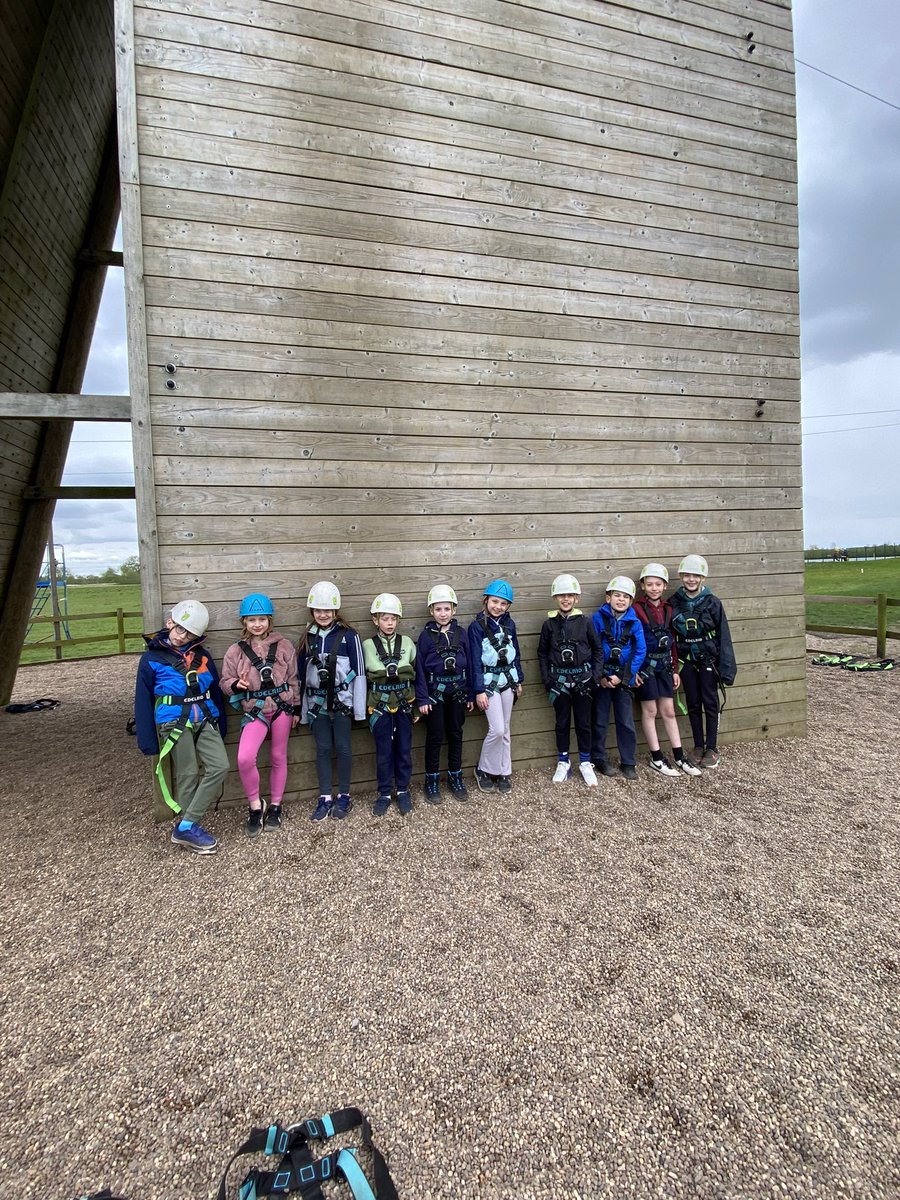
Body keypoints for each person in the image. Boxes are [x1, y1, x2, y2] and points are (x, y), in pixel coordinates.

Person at [134, 599, 228, 854]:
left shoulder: (203, 656)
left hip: (205, 717)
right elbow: (142, 701)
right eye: (180, 629)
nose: (183, 636)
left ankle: (186, 825)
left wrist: (221, 725)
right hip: (173, 721)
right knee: (187, 772)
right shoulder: (151, 659)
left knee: (220, 766)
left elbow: (215, 690)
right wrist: (147, 741)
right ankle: (189, 826)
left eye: (190, 633)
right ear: (170, 623)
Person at [219, 593, 299, 836]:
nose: (257, 624)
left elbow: (294, 679)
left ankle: (275, 804)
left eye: (262, 619)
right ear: (244, 621)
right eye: (252, 619)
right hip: (256, 710)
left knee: (278, 756)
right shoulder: (236, 651)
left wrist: (295, 708)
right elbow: (225, 681)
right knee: (244, 758)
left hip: (282, 708)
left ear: (269, 620)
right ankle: (256, 805)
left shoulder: (284, 646)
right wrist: (236, 685)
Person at [298, 581, 366, 821]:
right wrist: (303, 711)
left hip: (342, 702)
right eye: (318, 610)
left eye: (327, 610)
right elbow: (301, 677)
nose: (323, 614)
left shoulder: (349, 636)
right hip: (317, 704)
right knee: (323, 748)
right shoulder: (308, 637)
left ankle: (344, 795)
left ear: (336, 610)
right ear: (312, 612)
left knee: (344, 747)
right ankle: (325, 796)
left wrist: (359, 710)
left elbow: (359, 672)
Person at [632, 565, 701, 778]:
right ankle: (656, 757)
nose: (654, 588)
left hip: (664, 667)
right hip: (645, 668)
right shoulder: (636, 609)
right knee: (650, 711)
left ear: (665, 586)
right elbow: (632, 641)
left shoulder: (668, 609)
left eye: (658, 584)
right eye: (649, 584)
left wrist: (674, 669)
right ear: (642, 586)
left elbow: (671, 641)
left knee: (669, 711)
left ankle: (679, 755)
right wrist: (633, 670)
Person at [670, 554, 737, 770]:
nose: (691, 579)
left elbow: (723, 636)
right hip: (686, 661)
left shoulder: (713, 603)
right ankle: (698, 745)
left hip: (708, 660)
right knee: (692, 702)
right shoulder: (674, 603)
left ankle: (712, 747)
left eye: (695, 576)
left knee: (710, 702)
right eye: (687, 575)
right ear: (681, 576)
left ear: (702, 578)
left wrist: (727, 669)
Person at [537, 573, 602, 786]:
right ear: (555, 598)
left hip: (583, 682)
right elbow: (542, 653)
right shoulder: (549, 625)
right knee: (562, 723)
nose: (566, 599)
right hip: (559, 684)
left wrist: (594, 678)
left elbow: (598, 651)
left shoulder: (586, 623)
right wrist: (548, 680)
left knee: (584, 723)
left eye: (570, 595)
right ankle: (563, 762)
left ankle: (585, 762)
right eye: (561, 595)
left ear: (577, 598)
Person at [415, 584, 473, 803]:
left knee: (456, 733)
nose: (442, 613)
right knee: (435, 735)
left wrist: (470, 694)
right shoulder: (425, 637)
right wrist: (421, 698)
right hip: (434, 696)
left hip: (458, 692)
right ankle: (431, 779)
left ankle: (455, 776)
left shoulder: (462, 634)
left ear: (454, 610)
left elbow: (470, 663)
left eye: (446, 609)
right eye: (438, 609)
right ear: (431, 611)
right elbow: (419, 668)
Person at [363, 593, 417, 816]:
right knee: (384, 751)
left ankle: (403, 790)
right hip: (379, 705)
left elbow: (415, 671)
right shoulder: (367, 645)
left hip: (404, 702)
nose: (389, 623)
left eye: (393, 619)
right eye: (385, 619)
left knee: (404, 748)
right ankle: (385, 792)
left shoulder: (407, 643)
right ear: (375, 620)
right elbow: (366, 674)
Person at [468, 578, 523, 794]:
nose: (498, 607)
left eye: (503, 603)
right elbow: (474, 660)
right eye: (494, 601)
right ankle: (483, 769)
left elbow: (516, 653)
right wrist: (478, 690)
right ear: (486, 601)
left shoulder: (510, 625)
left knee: (506, 728)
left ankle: (503, 772)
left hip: (508, 680)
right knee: (497, 729)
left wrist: (519, 679)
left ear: (507, 606)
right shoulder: (476, 627)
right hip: (489, 683)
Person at [590, 576, 646, 780]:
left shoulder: (635, 622)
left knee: (625, 721)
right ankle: (599, 758)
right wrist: (603, 676)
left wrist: (623, 677)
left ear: (631, 601)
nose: (621, 600)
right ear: (608, 597)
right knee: (600, 720)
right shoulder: (597, 619)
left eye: (625, 597)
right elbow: (594, 648)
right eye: (617, 595)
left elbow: (640, 650)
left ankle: (628, 762)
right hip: (603, 679)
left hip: (624, 679)